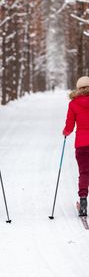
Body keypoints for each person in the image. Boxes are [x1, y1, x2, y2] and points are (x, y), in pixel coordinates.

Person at [63, 76, 89, 216]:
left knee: (84, 173)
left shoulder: (74, 104)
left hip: (82, 144)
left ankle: (83, 201)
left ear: (78, 88)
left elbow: (69, 125)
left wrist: (66, 132)